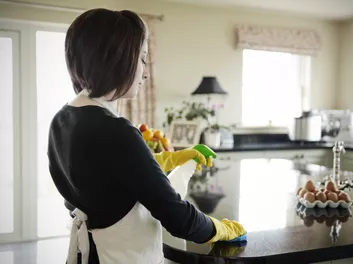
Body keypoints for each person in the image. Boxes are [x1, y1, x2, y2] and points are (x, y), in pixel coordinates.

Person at [47, 8, 246, 264]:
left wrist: (171, 159)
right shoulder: (116, 131)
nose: (145, 72)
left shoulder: (63, 119)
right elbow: (178, 218)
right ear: (116, 58)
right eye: (141, 59)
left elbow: (110, 177)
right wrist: (220, 229)